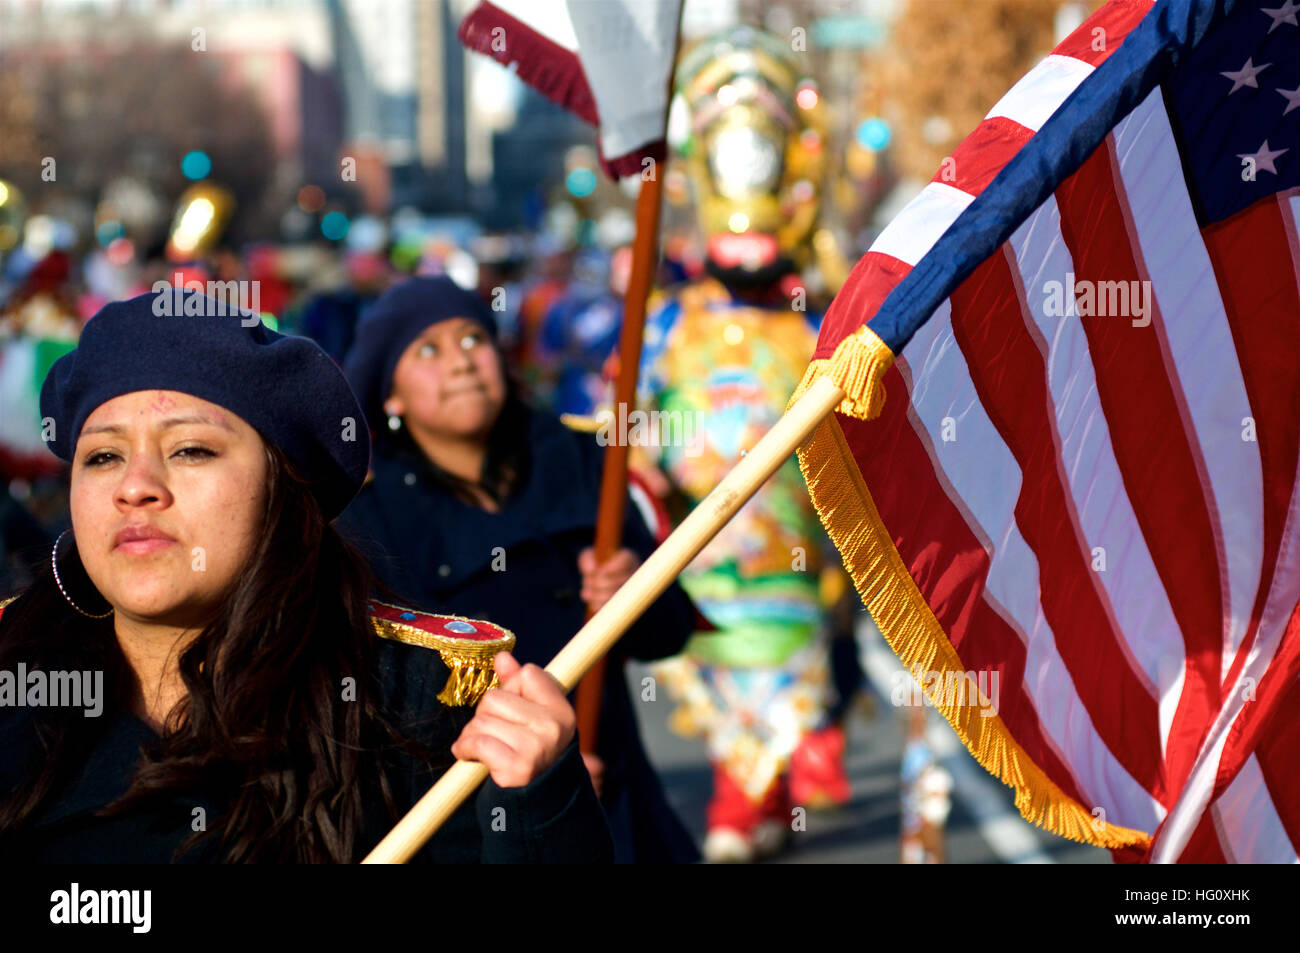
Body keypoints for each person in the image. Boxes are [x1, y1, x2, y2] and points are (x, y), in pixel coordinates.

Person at [0, 288, 612, 863]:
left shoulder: (422, 704)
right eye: (103, 456)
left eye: (190, 450)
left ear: (281, 489)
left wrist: (541, 805)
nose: (135, 488)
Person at [337, 276, 699, 864]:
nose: (460, 363)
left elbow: (669, 634)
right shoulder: (367, 524)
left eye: (473, 339)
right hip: (473, 824)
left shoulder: (581, 460)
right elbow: (380, 718)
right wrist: (546, 774)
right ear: (390, 396)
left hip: (621, 801)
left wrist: (636, 589)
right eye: (428, 350)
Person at [634, 26, 852, 863]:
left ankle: (746, 804)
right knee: (729, 686)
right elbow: (629, 421)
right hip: (697, 548)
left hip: (795, 546)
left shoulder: (818, 331)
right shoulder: (668, 325)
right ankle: (750, 799)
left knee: (781, 677)